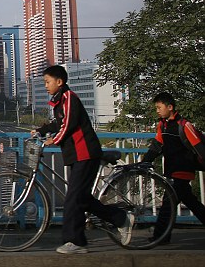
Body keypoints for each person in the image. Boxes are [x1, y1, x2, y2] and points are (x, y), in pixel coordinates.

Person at [32, 65, 133, 254]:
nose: (45, 85)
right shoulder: (59, 101)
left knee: (73, 198)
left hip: (85, 152)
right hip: (76, 154)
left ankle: (75, 241)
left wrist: (54, 139)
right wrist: (41, 131)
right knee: (82, 198)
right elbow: (59, 123)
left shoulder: (69, 98)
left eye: (47, 82)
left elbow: (68, 124)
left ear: (59, 82)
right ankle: (120, 218)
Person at [142, 92, 205, 244]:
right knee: (190, 203)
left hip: (183, 170)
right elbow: (157, 145)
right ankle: (162, 237)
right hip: (172, 171)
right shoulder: (162, 125)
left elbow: (200, 148)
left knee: (167, 205)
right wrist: (145, 161)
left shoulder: (184, 125)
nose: (157, 110)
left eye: (159, 107)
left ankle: (161, 237)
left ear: (170, 107)